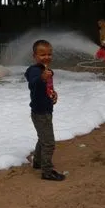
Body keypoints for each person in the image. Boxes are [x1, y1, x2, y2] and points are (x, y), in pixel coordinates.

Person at [24, 40, 65, 181]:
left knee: (43, 138)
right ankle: (47, 171)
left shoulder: (46, 71)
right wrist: (42, 78)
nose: (46, 57)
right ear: (34, 56)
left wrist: (53, 94)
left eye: (49, 54)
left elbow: (47, 88)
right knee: (49, 143)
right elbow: (33, 84)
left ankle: (38, 162)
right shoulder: (34, 71)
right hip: (40, 112)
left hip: (46, 110)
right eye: (42, 54)